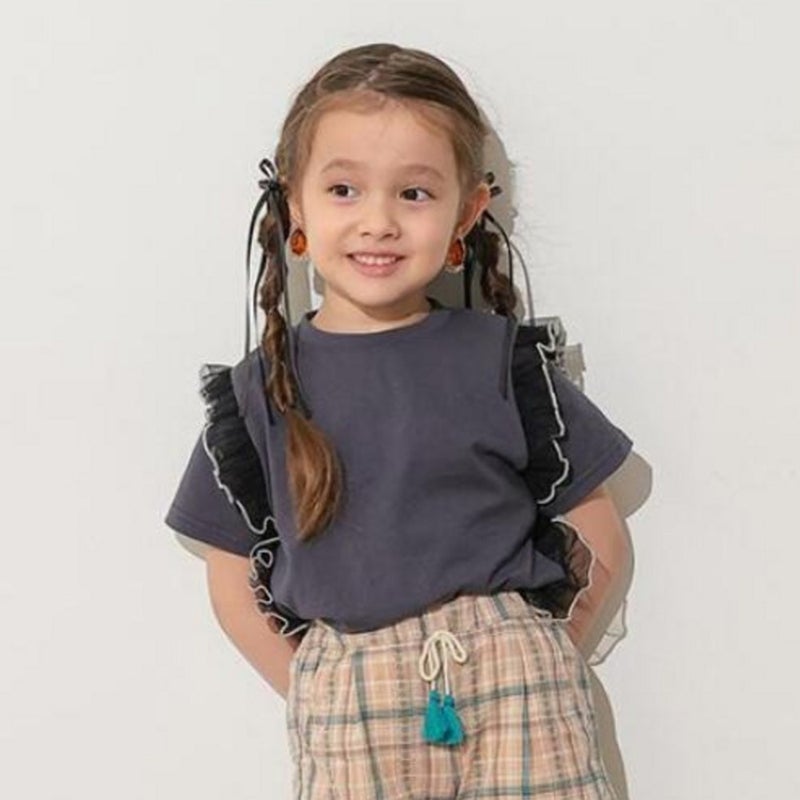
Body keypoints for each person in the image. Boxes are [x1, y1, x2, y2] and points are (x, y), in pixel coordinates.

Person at [164, 42, 634, 800]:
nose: (377, 222)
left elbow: (598, 530)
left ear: (466, 213)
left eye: (414, 194)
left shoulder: (499, 360)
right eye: (343, 189)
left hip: (519, 682)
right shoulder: (262, 391)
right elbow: (230, 579)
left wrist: (541, 657)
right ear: (295, 207)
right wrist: (318, 687)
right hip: (350, 703)